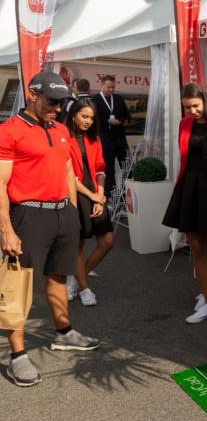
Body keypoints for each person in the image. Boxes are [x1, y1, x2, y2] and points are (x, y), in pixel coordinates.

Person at [0, 72, 100, 388]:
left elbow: (68, 169)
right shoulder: (10, 131)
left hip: (62, 214)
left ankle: (63, 332)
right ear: (33, 95)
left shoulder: (60, 129)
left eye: (61, 102)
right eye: (52, 102)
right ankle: (18, 356)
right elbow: (0, 183)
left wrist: (71, 210)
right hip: (28, 215)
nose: (58, 108)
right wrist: (6, 229)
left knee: (58, 275)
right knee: (18, 285)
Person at [162, 84, 207, 324]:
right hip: (189, 184)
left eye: (195, 106)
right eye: (187, 107)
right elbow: (185, 156)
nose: (192, 111)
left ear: (205, 101)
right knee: (195, 243)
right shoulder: (184, 124)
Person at [65, 97, 114, 306]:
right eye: (84, 116)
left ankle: (76, 279)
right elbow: (65, 174)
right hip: (74, 193)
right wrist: (92, 195)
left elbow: (101, 167)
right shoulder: (63, 137)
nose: (88, 121)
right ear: (73, 115)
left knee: (107, 241)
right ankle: (84, 289)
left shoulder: (94, 139)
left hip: (94, 191)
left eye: (91, 118)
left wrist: (99, 195)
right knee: (78, 244)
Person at [91, 75, 131, 196]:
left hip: (120, 137)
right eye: (109, 87)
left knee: (127, 164)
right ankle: (110, 193)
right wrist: (108, 121)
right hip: (105, 138)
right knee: (108, 167)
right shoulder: (95, 99)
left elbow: (127, 115)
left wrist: (124, 120)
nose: (111, 90)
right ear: (102, 85)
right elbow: (94, 118)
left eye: (113, 87)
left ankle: (128, 191)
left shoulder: (118, 98)